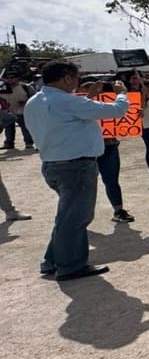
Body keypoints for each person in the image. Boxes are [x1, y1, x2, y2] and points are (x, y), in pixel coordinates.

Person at [24, 61, 130, 280]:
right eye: (77, 77)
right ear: (66, 78)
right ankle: (70, 266)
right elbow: (118, 110)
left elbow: (75, 115)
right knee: (75, 218)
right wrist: (122, 93)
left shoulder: (35, 101)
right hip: (75, 166)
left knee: (67, 216)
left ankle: (52, 261)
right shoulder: (65, 101)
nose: (78, 81)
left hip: (53, 164)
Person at [80, 78, 134, 224]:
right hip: (85, 150)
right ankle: (77, 215)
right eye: (90, 89)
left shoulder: (107, 104)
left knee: (111, 181)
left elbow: (121, 116)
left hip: (108, 146)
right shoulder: (75, 105)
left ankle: (118, 210)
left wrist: (134, 116)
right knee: (82, 184)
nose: (97, 92)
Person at [1, 73, 36, 149]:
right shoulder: (3, 87)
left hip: (22, 111)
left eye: (12, 78)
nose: (10, 80)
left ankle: (29, 143)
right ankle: (9, 143)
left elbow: (34, 97)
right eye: (8, 78)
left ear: (17, 78)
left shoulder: (25, 86)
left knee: (25, 127)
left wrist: (26, 102)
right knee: (8, 128)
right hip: (8, 111)